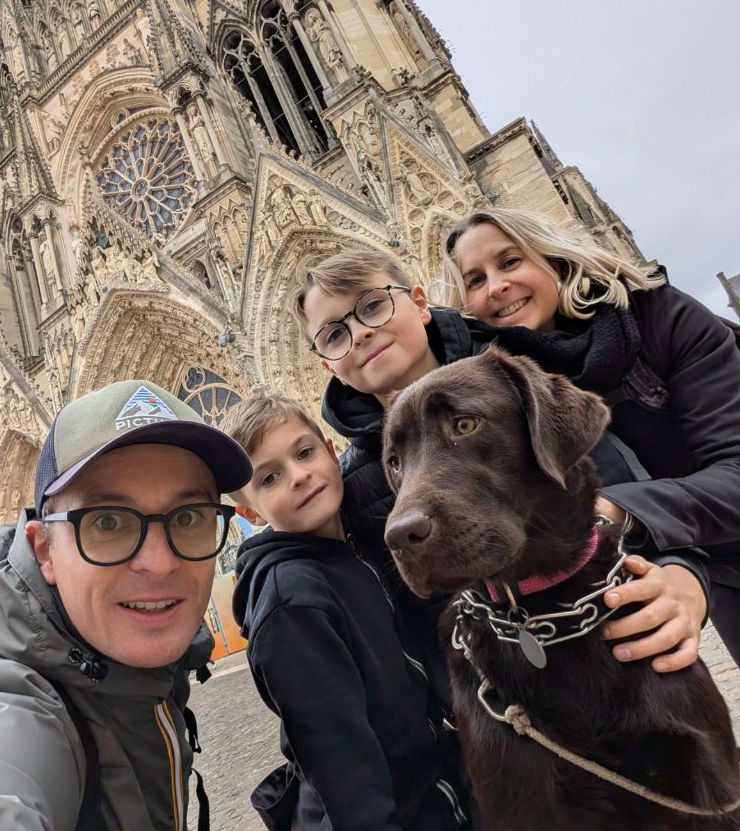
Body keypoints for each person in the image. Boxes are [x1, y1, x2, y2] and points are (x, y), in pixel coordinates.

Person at [293, 248, 710, 679]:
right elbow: (401, 621)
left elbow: (633, 486)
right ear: (328, 366)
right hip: (496, 690)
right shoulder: (349, 484)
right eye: (334, 335)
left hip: (629, 641)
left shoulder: (522, 371)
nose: (359, 333)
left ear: (420, 304)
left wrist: (685, 573)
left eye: (373, 305)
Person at [442, 207, 740, 666]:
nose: (496, 286)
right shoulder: (504, 390)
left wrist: (621, 508)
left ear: (553, 261)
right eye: (475, 281)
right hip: (718, 563)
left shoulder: (659, 315)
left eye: (509, 261)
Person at [0, 379, 252, 831]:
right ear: (44, 550)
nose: (160, 563)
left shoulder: (139, 670)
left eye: (187, 518)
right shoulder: (8, 702)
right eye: (107, 522)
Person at [223, 394, 470, 831]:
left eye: (304, 452)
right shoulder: (292, 606)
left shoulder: (353, 545)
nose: (299, 477)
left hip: (440, 790)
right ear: (247, 511)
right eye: (270, 478)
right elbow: (346, 780)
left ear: (332, 450)